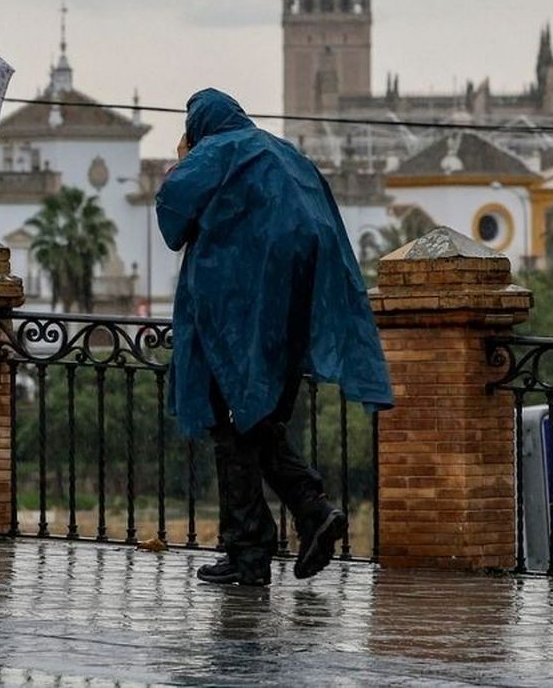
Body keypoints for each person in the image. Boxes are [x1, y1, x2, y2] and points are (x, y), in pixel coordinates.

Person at [156, 88, 393, 587]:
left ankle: (251, 550)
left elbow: (173, 217)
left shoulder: (214, 153)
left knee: (231, 427)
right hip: (290, 316)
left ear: (200, 125)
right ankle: (309, 512)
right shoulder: (286, 154)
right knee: (257, 422)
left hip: (232, 318)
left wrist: (183, 162)